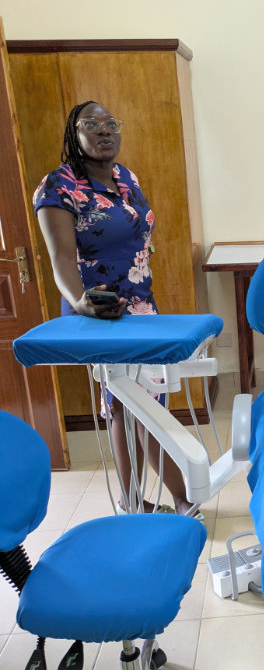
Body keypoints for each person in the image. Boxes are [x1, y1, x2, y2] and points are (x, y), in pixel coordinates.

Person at [33, 100, 200, 517]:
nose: (104, 131)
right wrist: (80, 302)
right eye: (91, 124)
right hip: (101, 313)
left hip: (141, 307)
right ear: (74, 134)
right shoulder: (58, 187)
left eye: (111, 123)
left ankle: (134, 500)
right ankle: (177, 497)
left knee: (142, 403)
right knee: (131, 403)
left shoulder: (126, 177)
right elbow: (60, 258)